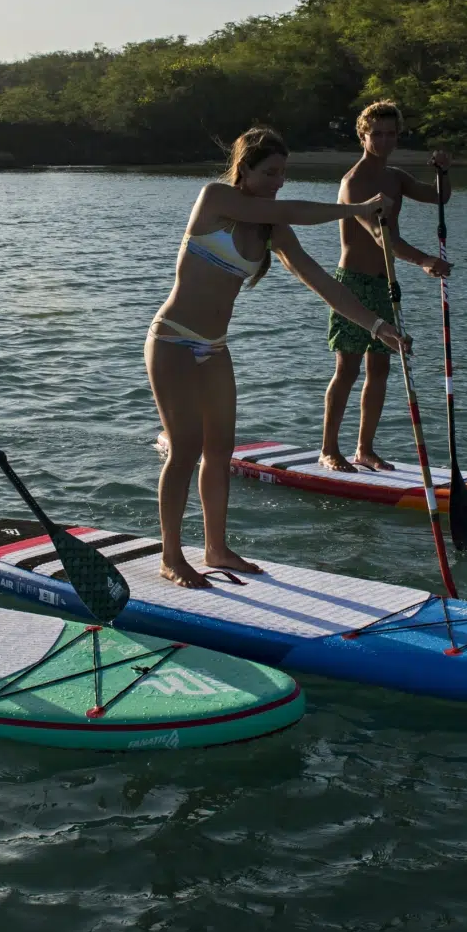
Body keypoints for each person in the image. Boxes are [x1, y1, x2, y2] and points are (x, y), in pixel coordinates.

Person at [149, 127, 408, 589]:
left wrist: (375, 325)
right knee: (184, 448)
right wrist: (355, 209)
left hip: (214, 348)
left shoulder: (273, 228)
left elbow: (321, 281)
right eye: (270, 172)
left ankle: (216, 548)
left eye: (284, 173)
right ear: (243, 169)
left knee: (220, 452)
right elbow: (291, 208)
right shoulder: (215, 199)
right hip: (172, 340)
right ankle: (171, 556)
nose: (278, 181)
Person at [319, 101, 451, 472]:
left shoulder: (395, 177)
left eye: (391, 133)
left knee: (380, 369)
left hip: (384, 285)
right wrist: (425, 260)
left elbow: (440, 196)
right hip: (353, 286)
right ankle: (329, 449)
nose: (384, 140)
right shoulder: (354, 181)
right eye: (376, 133)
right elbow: (381, 237)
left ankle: (365, 449)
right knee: (347, 369)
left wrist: (443, 171)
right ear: (362, 135)